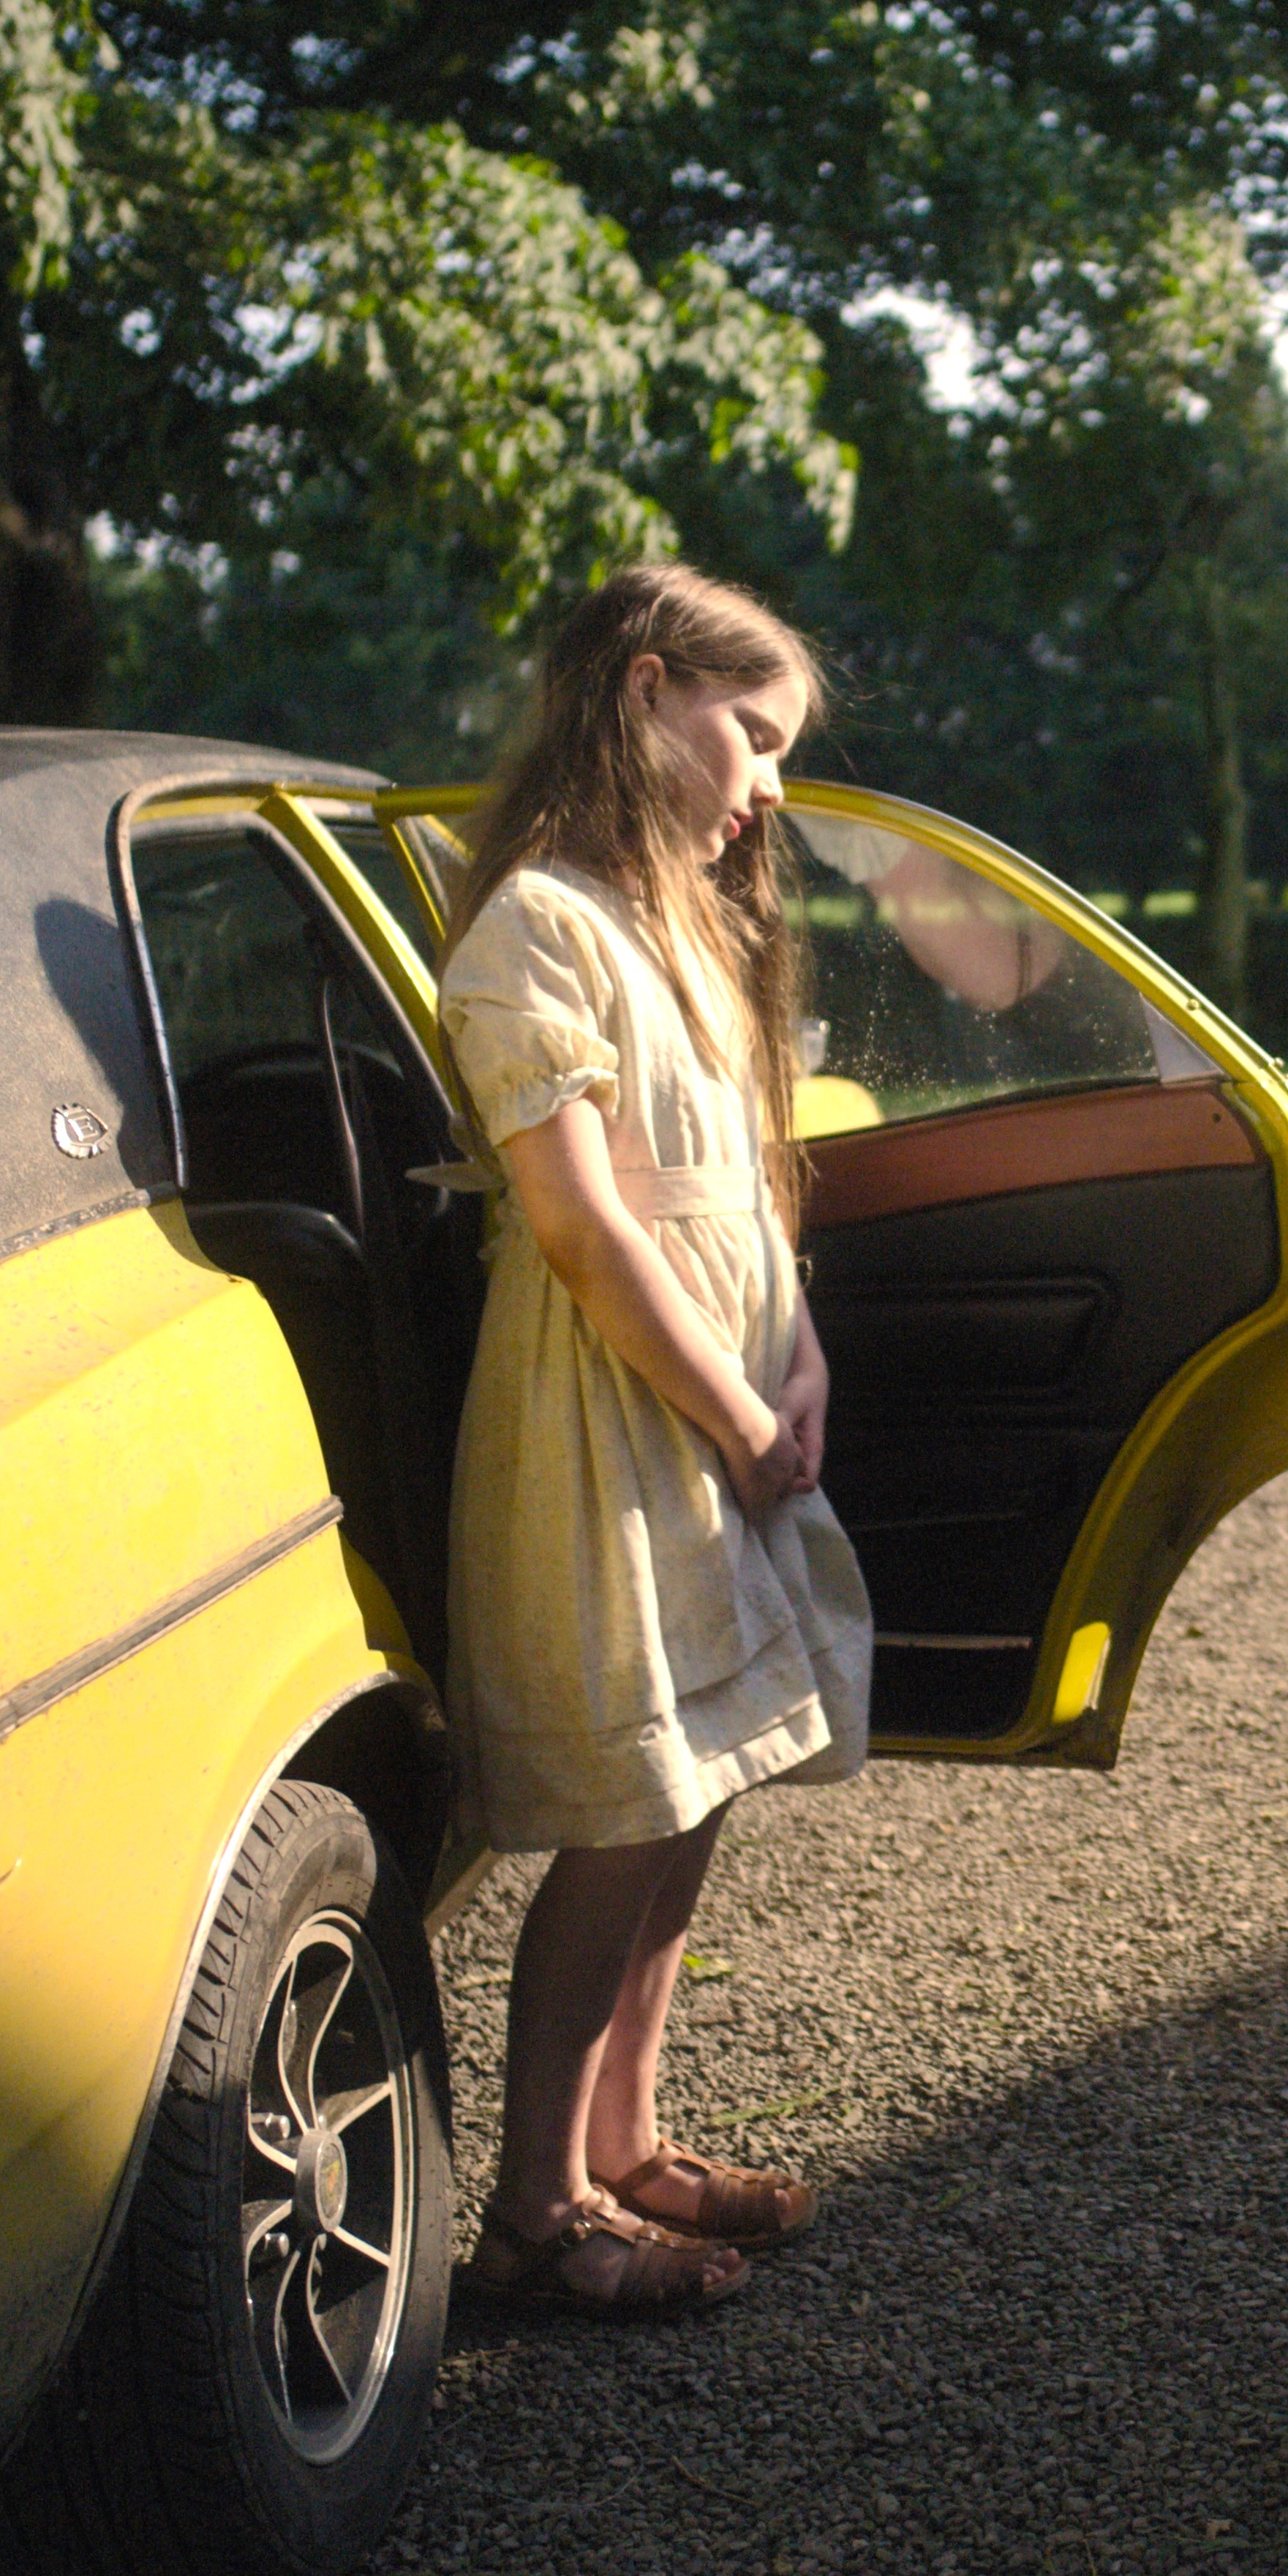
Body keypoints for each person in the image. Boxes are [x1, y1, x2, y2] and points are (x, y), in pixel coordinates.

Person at [438, 563, 872, 2317]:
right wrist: (731, 1398)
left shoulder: (686, 916)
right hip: (622, 1394)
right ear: (643, 689)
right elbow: (590, 1231)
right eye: (749, 734)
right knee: (631, 1800)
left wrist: (804, 1341)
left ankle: (628, 2137)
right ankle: (534, 2211)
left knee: (707, 1775)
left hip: (731, 1370)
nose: (767, 781)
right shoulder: (536, 926)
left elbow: (747, 1182)